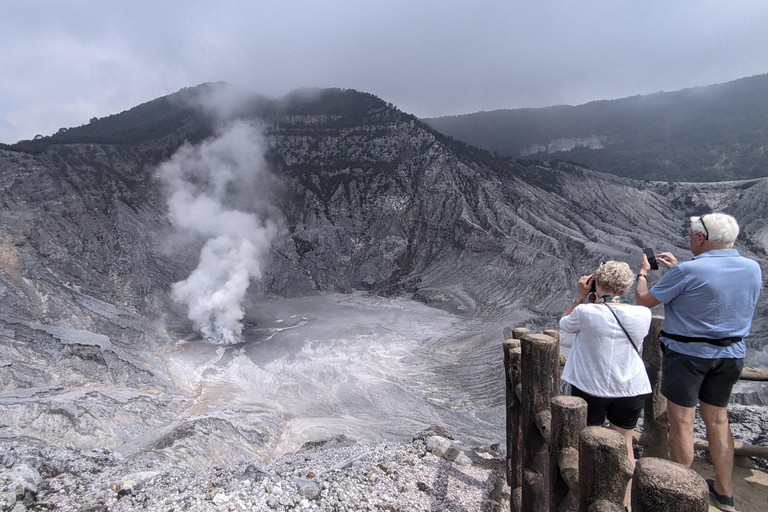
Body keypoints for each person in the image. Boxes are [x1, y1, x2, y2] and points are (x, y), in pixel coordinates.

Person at [636, 213, 762, 512]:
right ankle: (725, 491)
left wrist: (642, 274)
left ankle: (682, 491)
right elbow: (717, 290)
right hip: (731, 355)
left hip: (688, 355)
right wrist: (681, 270)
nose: (690, 239)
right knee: (718, 420)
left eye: (692, 235)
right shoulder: (752, 268)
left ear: (701, 238)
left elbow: (644, 301)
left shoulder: (688, 272)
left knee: (682, 423)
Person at [561, 261, 652, 471]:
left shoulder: (585, 312)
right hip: (630, 387)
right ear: (626, 285)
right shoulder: (643, 314)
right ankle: (626, 500)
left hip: (590, 386)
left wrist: (579, 297)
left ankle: (589, 493)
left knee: (588, 441)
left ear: (597, 281)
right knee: (625, 444)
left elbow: (564, 324)